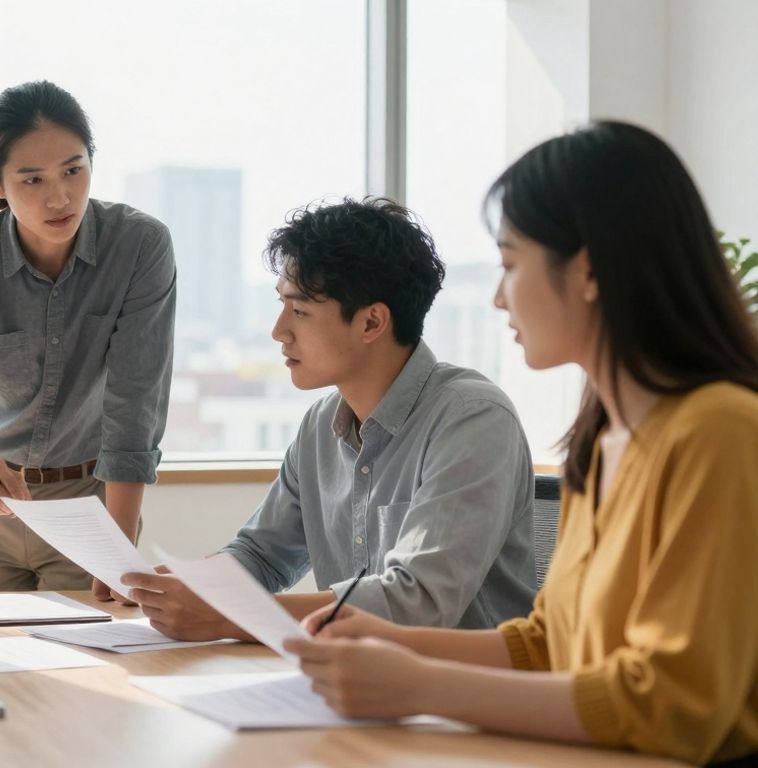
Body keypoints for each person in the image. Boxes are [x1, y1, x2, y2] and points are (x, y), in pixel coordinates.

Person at [287, 122, 758, 765]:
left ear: (588, 270)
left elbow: (672, 705)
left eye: (510, 263)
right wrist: (392, 642)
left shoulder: (719, 432)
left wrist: (422, 684)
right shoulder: (604, 439)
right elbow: (548, 645)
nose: (498, 295)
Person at [125, 197, 536, 638]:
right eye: (282, 306)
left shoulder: (472, 420)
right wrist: (184, 587)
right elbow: (262, 556)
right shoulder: (321, 425)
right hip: (355, 684)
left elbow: (419, 600)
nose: (278, 330)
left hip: (465, 697)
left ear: (371, 322)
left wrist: (231, 614)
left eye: (299, 310)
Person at [0, 80, 176, 598]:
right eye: (32, 180)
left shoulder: (140, 246)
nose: (60, 197)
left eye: (74, 171)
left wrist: (115, 549)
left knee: (91, 668)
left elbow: (134, 408)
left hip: (90, 503)